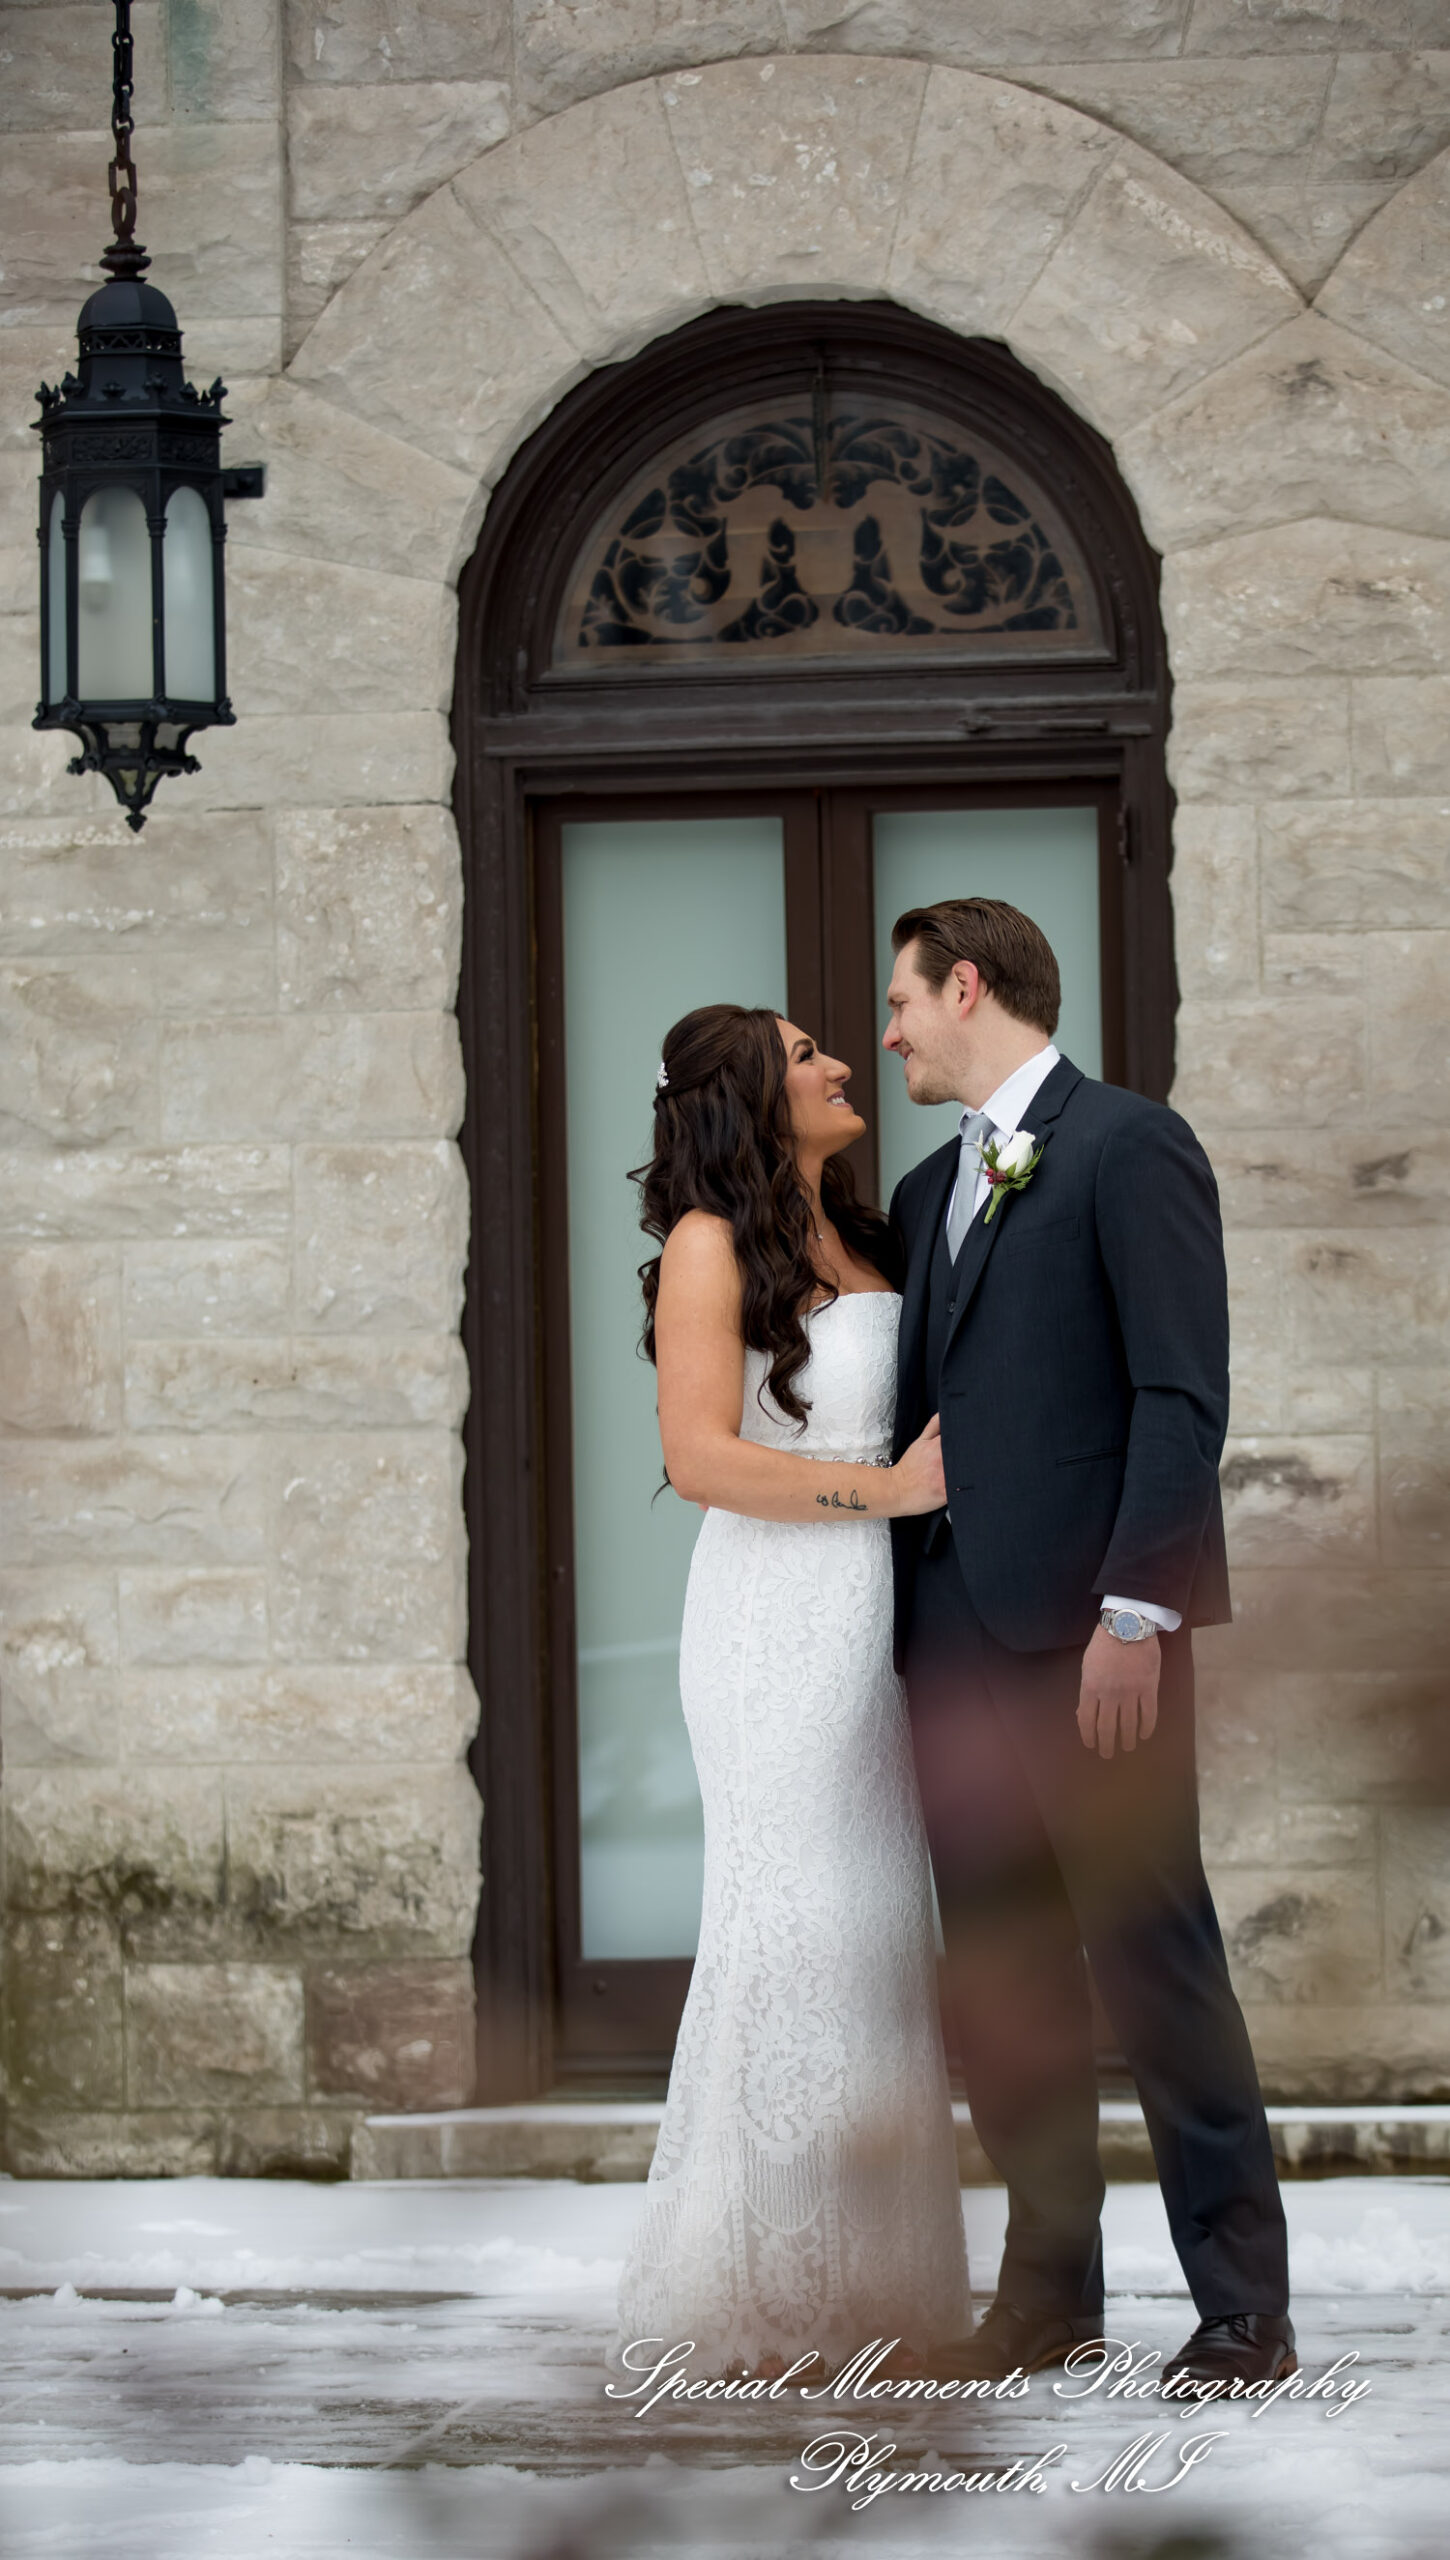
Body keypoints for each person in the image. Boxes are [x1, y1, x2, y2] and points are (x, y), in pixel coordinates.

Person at [883, 895, 1294, 2389]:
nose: (889, 1030)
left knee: (1153, 1965)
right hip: (950, 1646)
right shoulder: (930, 1186)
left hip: (1096, 1644)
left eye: (903, 1001)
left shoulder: (1130, 1146)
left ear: (968, 986)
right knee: (1004, 1987)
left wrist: (1138, 1611)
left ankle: (1244, 2308)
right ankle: (1046, 2295)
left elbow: (1181, 1400)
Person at [610, 1002, 971, 2380]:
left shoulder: (868, 1236)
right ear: (749, 1096)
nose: (837, 1063)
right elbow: (699, 1455)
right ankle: (764, 2284)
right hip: (772, 1616)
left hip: (873, 1610)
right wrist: (883, 1490)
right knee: (793, 1921)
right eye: (805, 1052)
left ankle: (874, 2289)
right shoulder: (710, 1244)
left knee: (872, 1924)